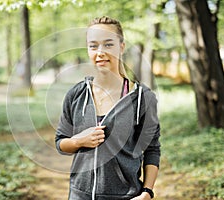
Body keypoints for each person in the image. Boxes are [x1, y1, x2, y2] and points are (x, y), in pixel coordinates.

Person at [55, 16, 160, 200]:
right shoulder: (76, 94)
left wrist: (147, 192)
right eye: (93, 46)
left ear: (121, 46)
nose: (100, 52)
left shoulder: (143, 98)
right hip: (79, 195)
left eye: (108, 44)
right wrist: (79, 141)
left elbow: (152, 149)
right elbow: (61, 143)